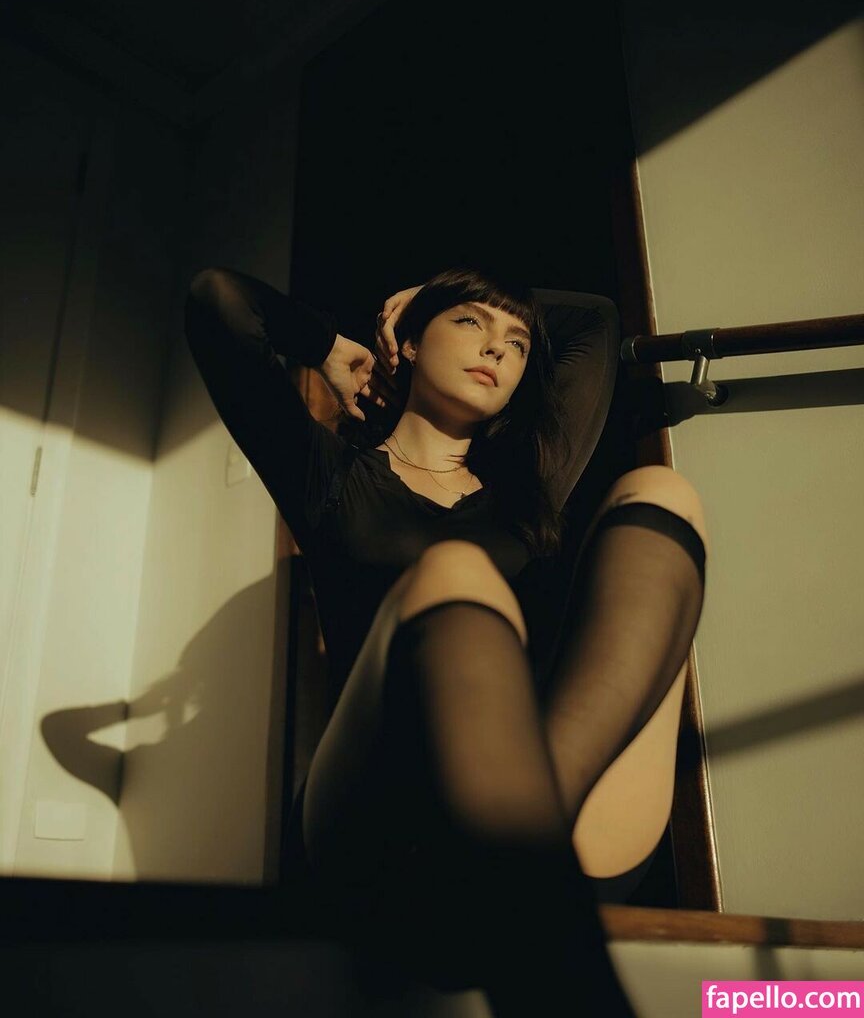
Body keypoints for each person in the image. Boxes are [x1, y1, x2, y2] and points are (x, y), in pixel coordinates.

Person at [184, 266, 708, 1016]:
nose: (497, 348)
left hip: (563, 821)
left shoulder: (530, 487)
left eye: (518, 343)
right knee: (454, 571)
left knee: (663, 493)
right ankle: (541, 922)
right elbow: (218, 301)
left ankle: (519, 853)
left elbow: (594, 320)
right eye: (470, 323)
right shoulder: (331, 479)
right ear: (407, 343)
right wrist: (327, 344)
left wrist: (443, 295)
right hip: (385, 831)